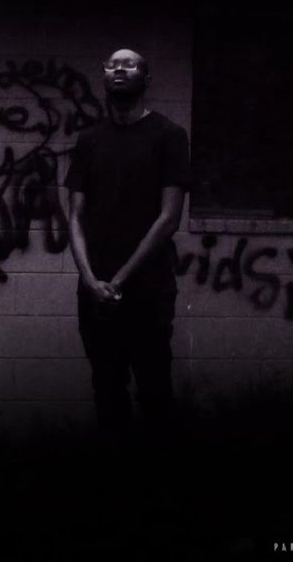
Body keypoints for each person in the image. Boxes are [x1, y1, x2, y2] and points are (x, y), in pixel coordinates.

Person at [65, 48, 191, 439]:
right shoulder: (89, 141)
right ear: (103, 76)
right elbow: (75, 216)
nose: (119, 69)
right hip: (96, 293)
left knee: (155, 393)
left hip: (148, 289)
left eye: (130, 64)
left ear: (146, 79)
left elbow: (169, 219)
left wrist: (118, 281)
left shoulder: (169, 136)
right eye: (112, 64)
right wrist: (90, 280)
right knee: (107, 392)